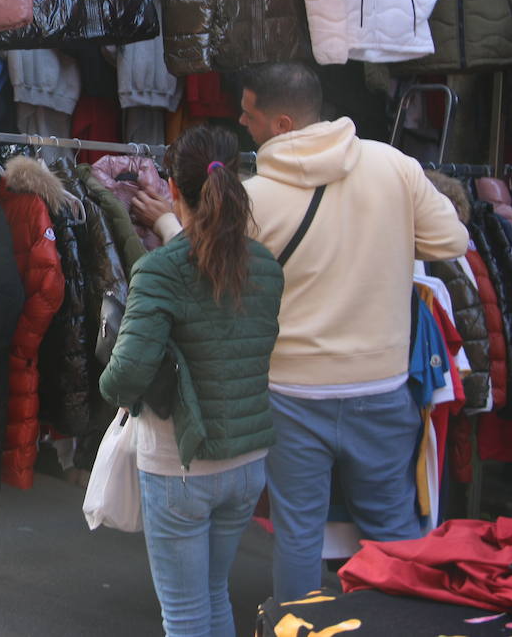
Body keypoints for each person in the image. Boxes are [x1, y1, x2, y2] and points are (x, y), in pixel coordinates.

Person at [133, 62, 469, 601]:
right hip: (381, 386)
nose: (241, 122)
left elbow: (199, 269)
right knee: (394, 535)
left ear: (282, 122)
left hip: (291, 395)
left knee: (299, 538)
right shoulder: (393, 166)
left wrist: (167, 224)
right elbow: (450, 240)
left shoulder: (254, 198)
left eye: (249, 113)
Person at [99, 125, 284, 637]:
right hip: (247, 462)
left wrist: (108, 390)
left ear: (173, 191)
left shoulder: (161, 270)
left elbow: (127, 374)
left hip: (181, 463)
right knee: (213, 596)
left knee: (183, 615)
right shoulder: (265, 266)